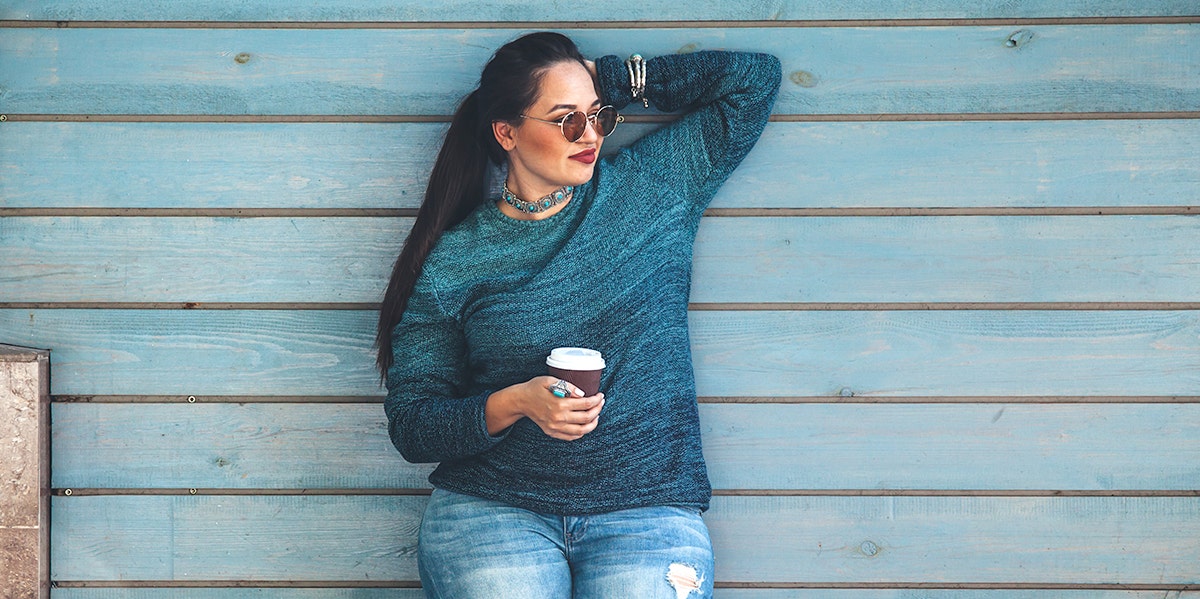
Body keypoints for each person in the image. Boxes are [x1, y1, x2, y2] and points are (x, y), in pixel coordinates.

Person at [375, 31, 780, 599]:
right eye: (565, 119)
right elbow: (415, 426)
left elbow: (753, 81)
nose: (588, 135)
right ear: (507, 132)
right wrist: (515, 402)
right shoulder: (455, 261)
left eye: (598, 116)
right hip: (492, 512)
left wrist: (606, 78)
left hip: (647, 508)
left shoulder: (654, 188)